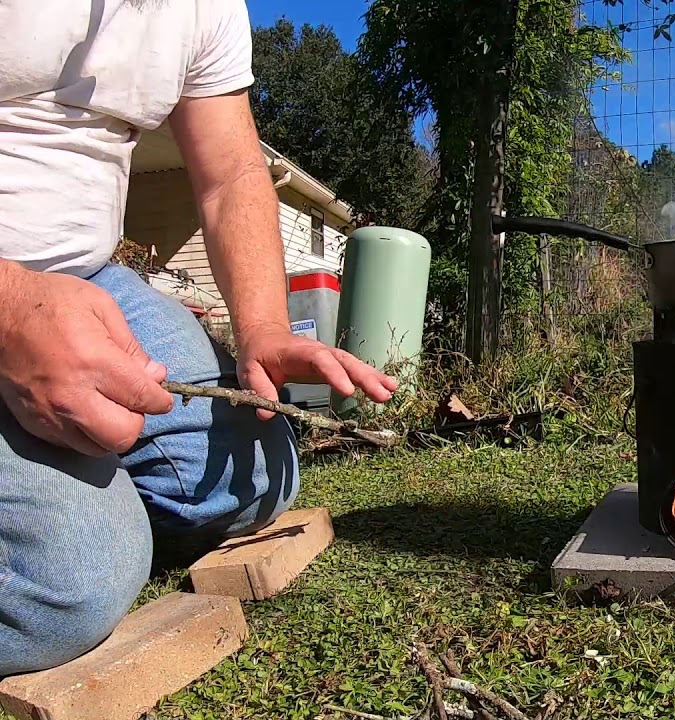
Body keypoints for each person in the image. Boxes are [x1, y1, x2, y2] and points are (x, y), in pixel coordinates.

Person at [0, 0, 398, 676]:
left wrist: (265, 329)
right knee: (65, 586)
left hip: (86, 273)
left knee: (251, 477)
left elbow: (231, 174)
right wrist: (12, 312)